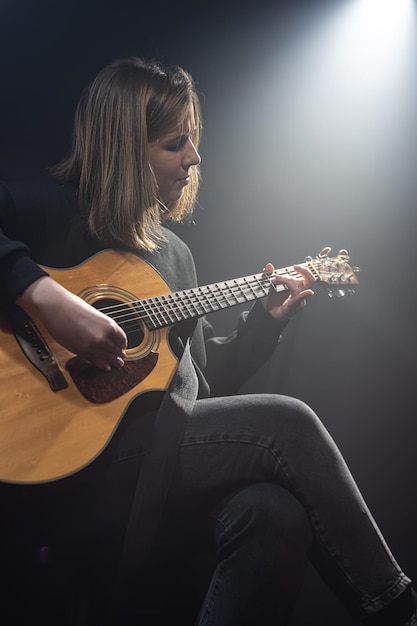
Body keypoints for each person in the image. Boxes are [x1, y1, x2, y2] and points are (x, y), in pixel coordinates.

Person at [0, 56, 415, 626]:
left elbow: (193, 389)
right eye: (175, 144)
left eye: (192, 143)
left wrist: (265, 323)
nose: (194, 159)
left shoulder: (173, 255)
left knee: (274, 514)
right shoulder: (42, 211)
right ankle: (398, 609)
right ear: (125, 147)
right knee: (288, 422)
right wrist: (45, 297)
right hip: (60, 463)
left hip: (151, 463)